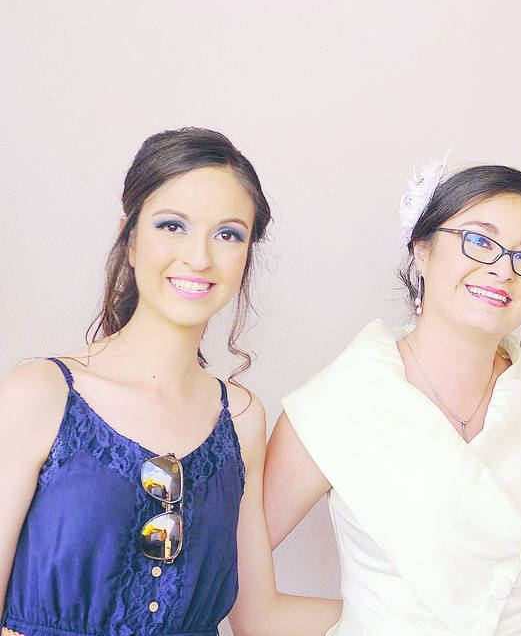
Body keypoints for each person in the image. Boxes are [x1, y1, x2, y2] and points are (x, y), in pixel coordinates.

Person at [0, 128, 339, 636]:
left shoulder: (241, 418)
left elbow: (259, 617)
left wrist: (438, 613)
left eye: (228, 234)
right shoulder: (39, 394)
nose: (199, 257)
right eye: (172, 225)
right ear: (130, 239)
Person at [262, 164, 521, 635]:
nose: (502, 269)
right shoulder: (338, 402)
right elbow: (227, 573)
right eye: (479, 240)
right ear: (422, 249)